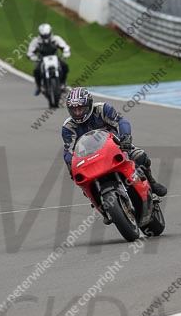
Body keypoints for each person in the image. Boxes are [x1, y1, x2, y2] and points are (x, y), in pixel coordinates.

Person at [61, 87, 167, 221]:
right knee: (82, 182)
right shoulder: (68, 126)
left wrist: (126, 138)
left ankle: (152, 182)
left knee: (139, 156)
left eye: (80, 108)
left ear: (89, 105)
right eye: (74, 110)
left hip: (115, 147)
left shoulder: (102, 109)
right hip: (89, 158)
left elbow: (121, 122)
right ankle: (102, 207)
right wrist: (72, 165)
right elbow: (68, 150)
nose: (77, 112)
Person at [27, 23, 70, 95]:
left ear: (50, 32)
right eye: (43, 36)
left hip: (55, 58)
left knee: (65, 66)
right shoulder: (36, 41)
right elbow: (30, 51)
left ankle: (63, 84)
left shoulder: (56, 39)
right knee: (36, 70)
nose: (45, 37)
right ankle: (39, 86)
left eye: (46, 35)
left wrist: (66, 52)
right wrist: (32, 56)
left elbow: (64, 46)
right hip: (42, 59)